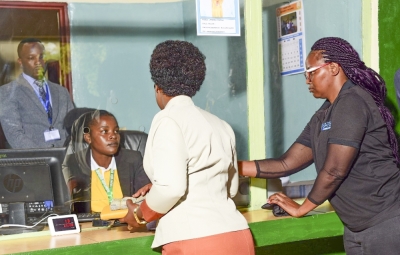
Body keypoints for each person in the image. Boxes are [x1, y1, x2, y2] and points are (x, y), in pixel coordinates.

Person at [240, 37, 400, 255]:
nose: (307, 79)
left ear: (333, 68)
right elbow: (286, 163)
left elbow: (334, 170)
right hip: (356, 227)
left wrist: (301, 208)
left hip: (386, 222)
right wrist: (232, 166)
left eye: (312, 71)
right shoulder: (324, 114)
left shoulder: (353, 101)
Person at [120, 40, 255, 254]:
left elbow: (171, 188)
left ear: (158, 86)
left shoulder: (167, 119)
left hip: (194, 239)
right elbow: (230, 188)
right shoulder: (222, 125)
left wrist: (138, 214)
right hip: (237, 235)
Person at [62, 110, 151, 214]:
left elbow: (143, 201)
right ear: (88, 138)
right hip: (89, 225)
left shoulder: (133, 159)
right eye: (104, 131)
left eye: (116, 131)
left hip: (125, 223)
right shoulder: (73, 163)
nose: (113, 136)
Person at [0, 38, 74, 149]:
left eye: (41, 57)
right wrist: (42, 158)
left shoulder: (61, 92)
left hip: (64, 160)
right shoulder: (7, 92)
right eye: (31, 58)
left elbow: (73, 127)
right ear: (20, 62)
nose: (38, 62)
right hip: (33, 162)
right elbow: (14, 135)